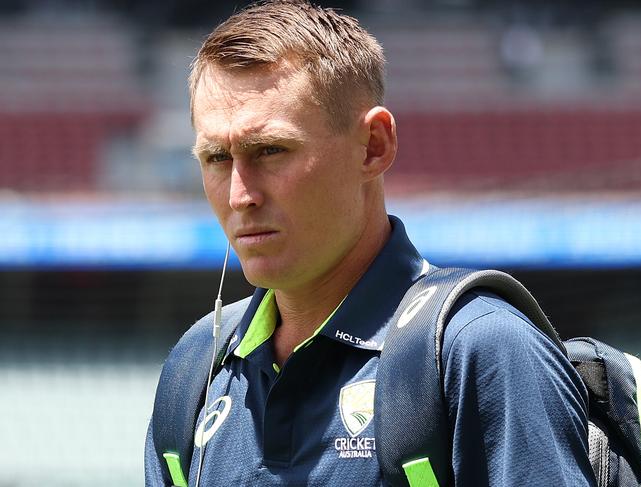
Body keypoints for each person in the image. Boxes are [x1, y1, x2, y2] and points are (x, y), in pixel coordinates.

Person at [145, 1, 596, 485]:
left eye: (271, 150)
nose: (240, 195)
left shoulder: (480, 350)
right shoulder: (193, 372)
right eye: (216, 157)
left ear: (374, 146)